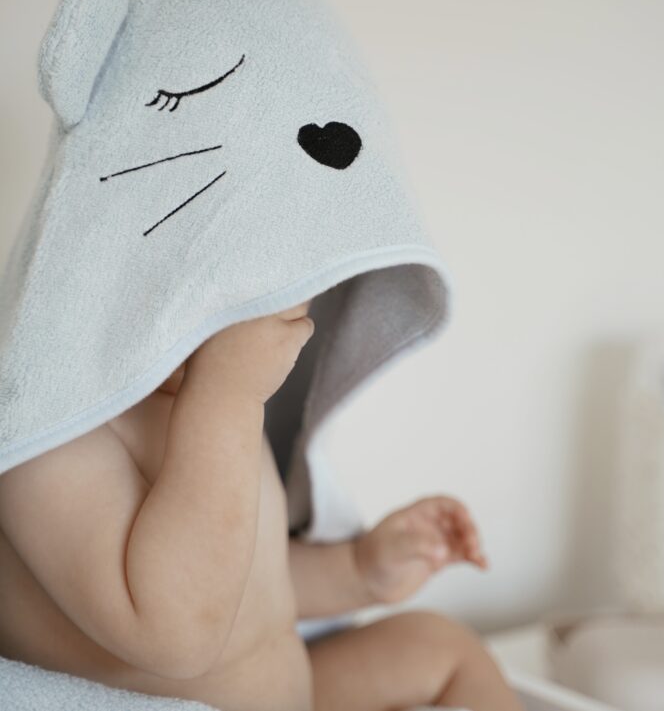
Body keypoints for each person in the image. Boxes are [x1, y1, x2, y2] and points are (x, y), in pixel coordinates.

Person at [0, 297, 523, 711]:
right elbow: (178, 632)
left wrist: (358, 570)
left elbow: (254, 584)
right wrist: (226, 396)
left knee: (439, 645)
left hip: (292, 695)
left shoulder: (212, 404)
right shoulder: (46, 433)